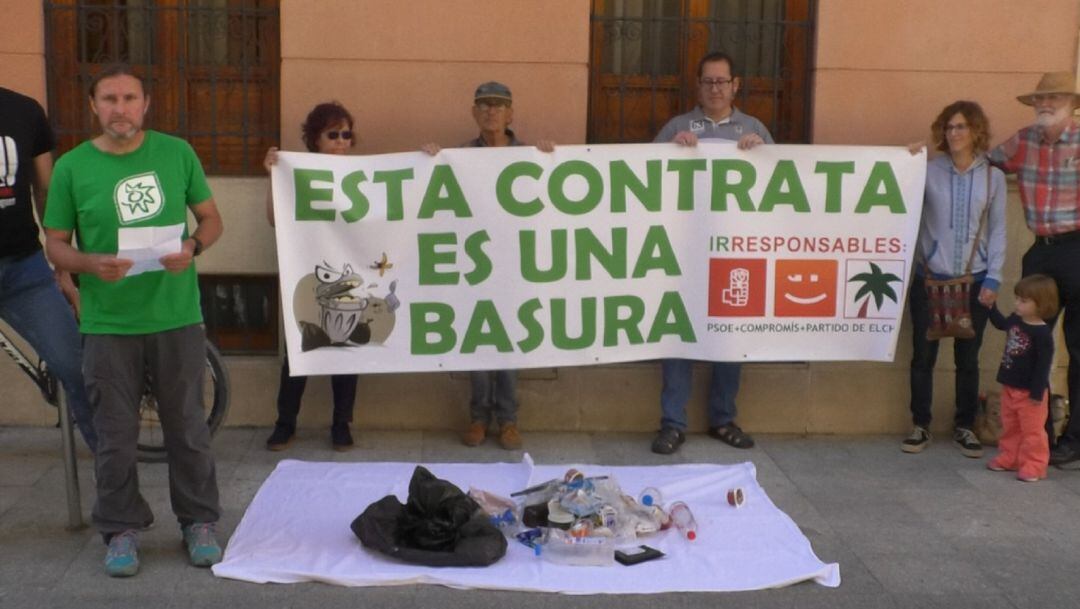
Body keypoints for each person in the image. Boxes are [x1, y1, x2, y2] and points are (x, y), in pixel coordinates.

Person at [43, 64, 224, 577]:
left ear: (146, 104)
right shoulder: (72, 167)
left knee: (187, 427)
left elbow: (211, 218)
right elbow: (54, 242)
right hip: (107, 325)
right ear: (93, 107)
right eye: (108, 99)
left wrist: (192, 246)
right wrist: (86, 264)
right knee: (114, 435)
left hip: (176, 317)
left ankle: (198, 522)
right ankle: (120, 530)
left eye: (129, 98)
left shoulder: (177, 152)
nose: (119, 108)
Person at [650, 51, 771, 455]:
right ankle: (672, 423)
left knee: (729, 335)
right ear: (698, 86)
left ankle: (723, 418)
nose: (715, 89)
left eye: (722, 81)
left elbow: (780, 187)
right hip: (683, 254)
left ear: (736, 85)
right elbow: (643, 177)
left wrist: (763, 156)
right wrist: (670, 149)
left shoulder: (754, 129)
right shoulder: (679, 126)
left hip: (733, 254)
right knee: (678, 334)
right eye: (708, 82)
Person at [421, 81, 553, 450]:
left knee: (508, 343)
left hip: (515, 265)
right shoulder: (459, 156)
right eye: (483, 105)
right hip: (475, 263)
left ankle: (508, 420)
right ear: (473, 113)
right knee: (479, 342)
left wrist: (550, 159)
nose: (491, 111)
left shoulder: (528, 154)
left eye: (499, 105)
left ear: (511, 114)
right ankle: (478, 417)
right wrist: (429, 158)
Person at [901, 101, 1006, 458]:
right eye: (948, 127)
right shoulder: (928, 171)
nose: (954, 133)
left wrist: (994, 278)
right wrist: (905, 159)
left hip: (973, 279)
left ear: (976, 130)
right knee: (923, 356)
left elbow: (1000, 231)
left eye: (961, 127)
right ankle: (920, 424)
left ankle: (964, 426)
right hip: (930, 278)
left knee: (968, 357)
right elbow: (899, 192)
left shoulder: (993, 177)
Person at [988, 71, 1080, 466]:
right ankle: (1035, 436)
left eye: (1054, 99)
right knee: (1028, 342)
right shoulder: (1022, 141)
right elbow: (981, 160)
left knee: (1079, 348)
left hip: (1077, 247)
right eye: (1041, 99)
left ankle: (1074, 440)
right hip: (1040, 251)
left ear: (1071, 105)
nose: (1046, 105)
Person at [0, 87, 98, 451]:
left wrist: (62, 265)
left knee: (79, 369)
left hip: (23, 270)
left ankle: (116, 491)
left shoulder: (24, 110)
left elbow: (47, 194)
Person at [263, 102, 360, 452]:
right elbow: (276, 220)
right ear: (315, 139)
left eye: (346, 134)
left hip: (350, 276)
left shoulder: (365, 176)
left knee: (347, 351)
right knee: (299, 353)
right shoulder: (297, 173)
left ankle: (341, 424)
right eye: (332, 134)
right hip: (308, 274)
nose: (340, 141)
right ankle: (285, 423)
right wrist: (274, 174)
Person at [984, 274, 1059, 482]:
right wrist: (991, 308)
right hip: (1010, 384)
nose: (1017, 303)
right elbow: (1001, 324)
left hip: (1030, 392)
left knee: (1033, 431)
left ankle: (1035, 465)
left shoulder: (1043, 334)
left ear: (1041, 304)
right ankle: (1010, 458)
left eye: (1023, 301)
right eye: (1017, 298)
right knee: (1010, 425)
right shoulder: (1016, 320)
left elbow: (1043, 365)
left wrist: (1036, 392)